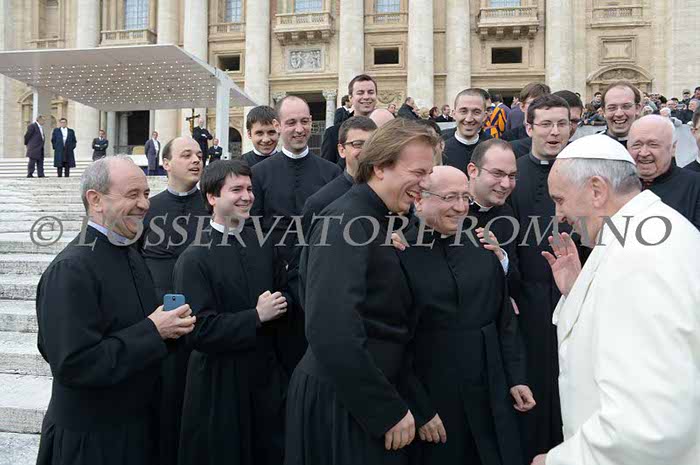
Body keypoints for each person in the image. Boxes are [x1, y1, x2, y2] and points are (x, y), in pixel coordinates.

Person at [532, 134, 700, 465]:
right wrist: (578, 292)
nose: (559, 214)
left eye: (560, 199)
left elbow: (649, 421)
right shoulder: (649, 230)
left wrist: (560, 461)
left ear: (597, 190)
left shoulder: (640, 257)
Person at [285, 118, 440, 465]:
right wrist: (384, 409)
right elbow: (331, 330)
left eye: (429, 173)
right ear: (380, 167)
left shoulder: (375, 218)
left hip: (360, 396)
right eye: (418, 172)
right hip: (343, 403)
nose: (426, 184)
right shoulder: (346, 221)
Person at [35, 156, 196, 465]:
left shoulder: (129, 252)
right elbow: (74, 364)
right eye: (132, 194)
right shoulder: (71, 269)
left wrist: (174, 328)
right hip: (92, 441)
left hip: (136, 430)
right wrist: (154, 330)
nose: (145, 204)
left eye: (146, 193)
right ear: (95, 200)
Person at [399, 165, 533, 465]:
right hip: (435, 392)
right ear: (419, 199)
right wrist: (421, 409)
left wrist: (516, 378)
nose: (461, 207)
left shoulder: (483, 243)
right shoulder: (399, 252)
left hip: (490, 388)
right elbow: (395, 343)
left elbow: (504, 318)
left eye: (465, 197)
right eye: (449, 197)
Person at [174, 160, 290, 465]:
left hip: (264, 377)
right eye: (236, 189)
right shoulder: (193, 258)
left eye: (249, 189)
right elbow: (197, 330)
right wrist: (256, 316)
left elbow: (284, 293)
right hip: (218, 384)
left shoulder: (264, 243)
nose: (247, 196)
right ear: (212, 197)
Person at [250, 95, 341, 372]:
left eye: (304, 121)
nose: (299, 129)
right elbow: (253, 229)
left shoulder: (331, 172)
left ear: (312, 122)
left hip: (320, 278)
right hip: (275, 282)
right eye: (291, 123)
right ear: (278, 126)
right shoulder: (258, 174)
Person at [507, 93, 572, 463]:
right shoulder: (513, 175)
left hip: (573, 299)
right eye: (546, 124)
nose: (554, 132)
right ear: (529, 127)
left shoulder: (582, 172)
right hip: (527, 304)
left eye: (562, 123)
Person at [138, 136, 208, 465]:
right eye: (186, 155)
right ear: (166, 163)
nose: (196, 160)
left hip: (207, 327)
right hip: (161, 333)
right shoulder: (147, 209)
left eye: (199, 155)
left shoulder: (212, 206)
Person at [301, 116, 377, 234]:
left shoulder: (392, 196)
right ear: (342, 150)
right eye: (358, 144)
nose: (366, 151)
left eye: (371, 144)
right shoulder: (319, 203)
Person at [627, 115, 700, 230]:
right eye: (637, 145)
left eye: (653, 145)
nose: (644, 153)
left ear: (673, 147)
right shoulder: (615, 185)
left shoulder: (695, 186)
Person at [466, 139, 520, 290]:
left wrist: (500, 257)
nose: (506, 184)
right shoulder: (449, 211)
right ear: (473, 171)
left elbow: (514, 280)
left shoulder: (507, 214)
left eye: (512, 176)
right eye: (497, 174)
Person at [321, 74, 378, 166]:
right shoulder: (333, 133)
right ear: (350, 98)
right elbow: (327, 170)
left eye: (371, 92)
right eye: (360, 93)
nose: (366, 97)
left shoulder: (386, 129)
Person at [442, 88, 491, 173]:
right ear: (454, 114)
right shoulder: (439, 150)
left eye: (476, 112)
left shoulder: (492, 149)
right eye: (463, 111)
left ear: (485, 116)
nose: (469, 119)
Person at [598, 80, 642, 148]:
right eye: (612, 108)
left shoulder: (652, 146)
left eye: (626, 106)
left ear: (637, 109)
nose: (619, 114)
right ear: (603, 111)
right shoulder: (591, 145)